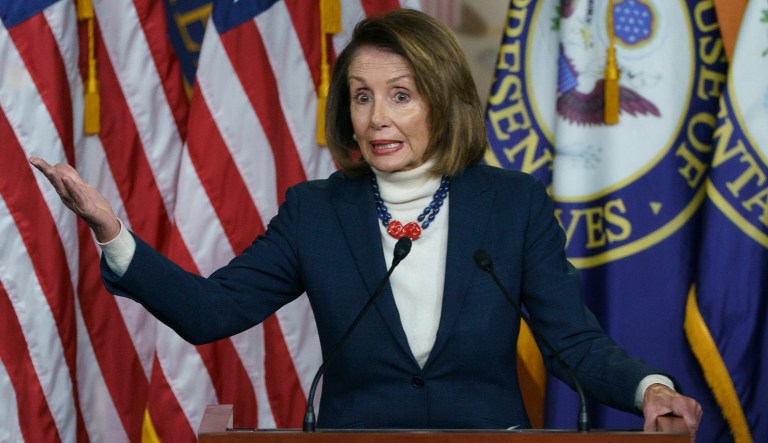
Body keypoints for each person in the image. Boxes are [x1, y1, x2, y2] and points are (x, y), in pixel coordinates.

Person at [30, 8, 702, 434]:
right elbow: (211, 311)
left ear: (444, 100)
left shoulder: (511, 204)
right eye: (361, 97)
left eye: (400, 96)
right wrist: (112, 234)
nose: (376, 117)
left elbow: (571, 343)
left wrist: (650, 387)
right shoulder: (316, 211)